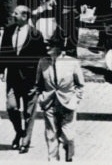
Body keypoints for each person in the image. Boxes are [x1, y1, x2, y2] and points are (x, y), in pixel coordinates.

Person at [0, 4, 47, 152]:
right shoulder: (8, 31)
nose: (13, 15)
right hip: (12, 78)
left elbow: (43, 58)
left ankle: (25, 141)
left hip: (30, 80)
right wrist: (1, 70)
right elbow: (4, 51)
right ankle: (19, 132)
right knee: (11, 107)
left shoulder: (36, 35)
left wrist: (43, 80)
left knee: (29, 112)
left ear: (25, 16)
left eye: (16, 13)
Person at [36, 33, 84, 161]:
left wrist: (76, 99)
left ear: (59, 47)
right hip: (49, 104)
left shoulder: (72, 62)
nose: (47, 48)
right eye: (47, 45)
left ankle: (69, 158)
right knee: (51, 135)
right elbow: (38, 84)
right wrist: (41, 98)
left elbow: (80, 85)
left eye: (50, 45)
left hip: (67, 104)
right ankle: (53, 160)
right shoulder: (42, 62)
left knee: (68, 137)